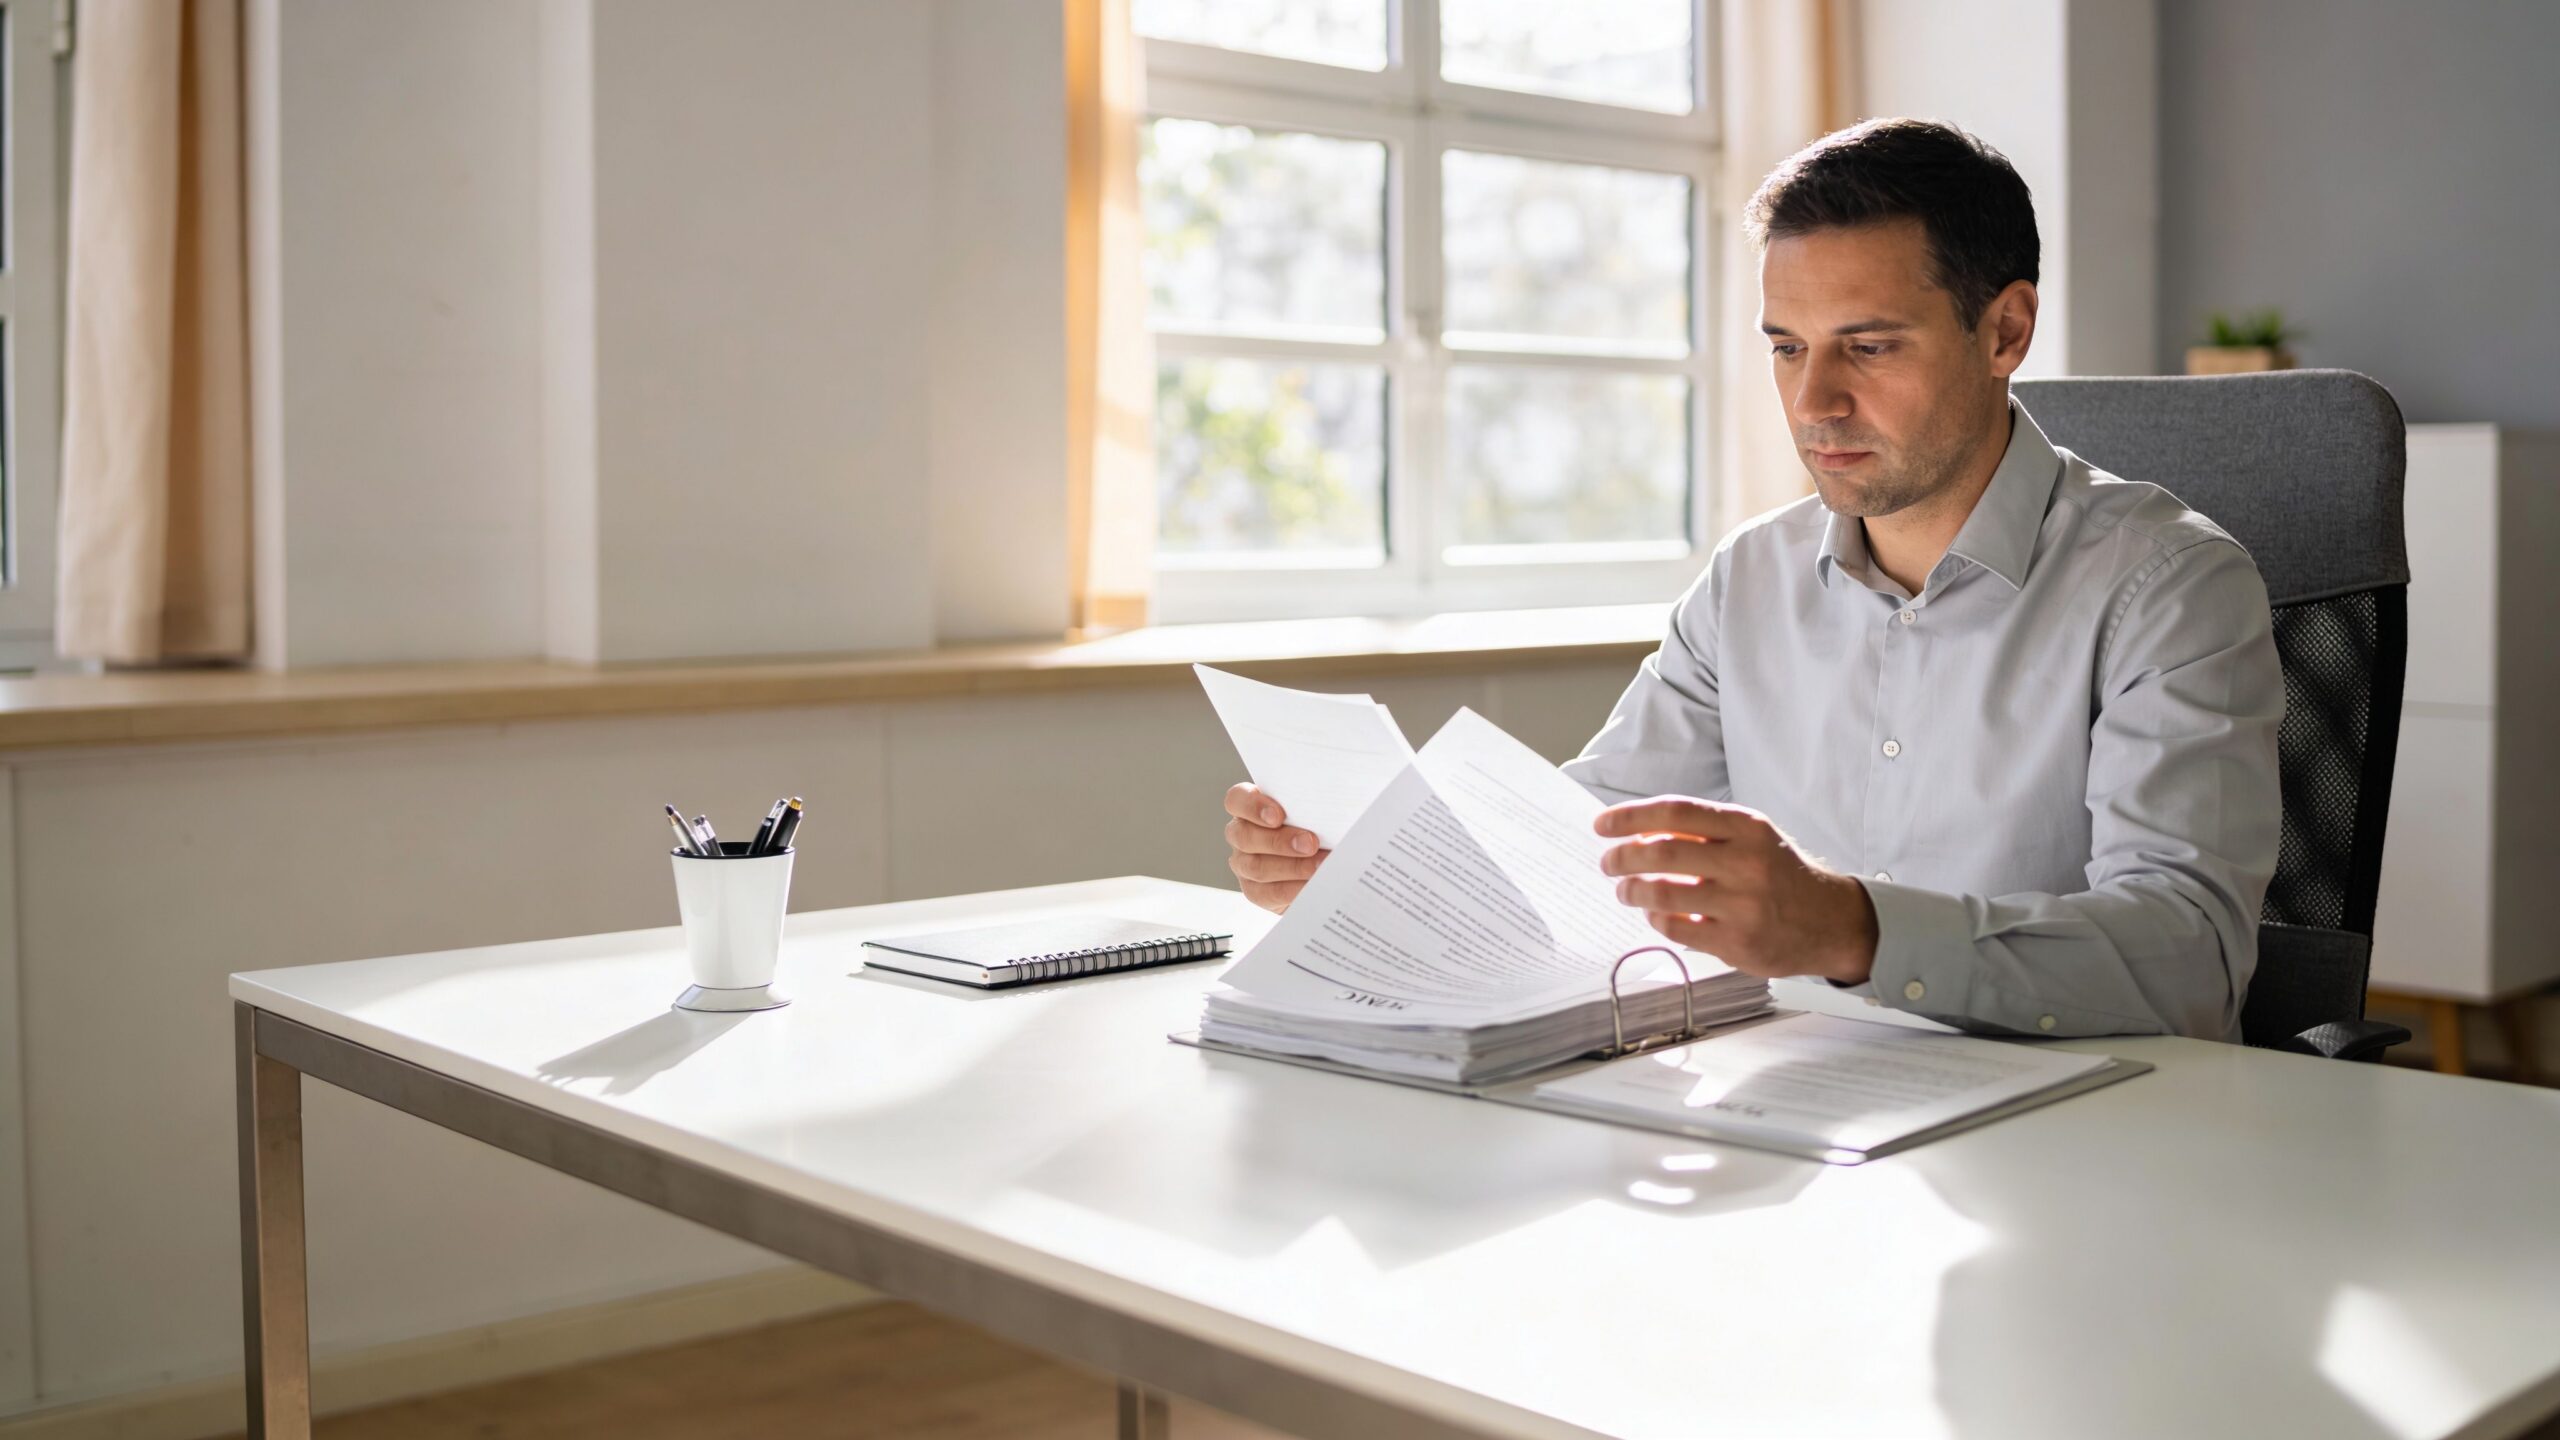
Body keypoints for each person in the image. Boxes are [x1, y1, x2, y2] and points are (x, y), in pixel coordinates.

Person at [1219, 118, 2283, 1041]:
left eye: (1866, 347)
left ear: (2004, 330)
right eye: (1785, 348)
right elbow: (1587, 833)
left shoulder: (2170, 588)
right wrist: (1374, 873)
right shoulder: (1749, 580)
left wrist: (1849, 929)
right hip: (1796, 1111)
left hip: (2084, 1139)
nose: (1813, 401)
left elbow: (2187, 958)